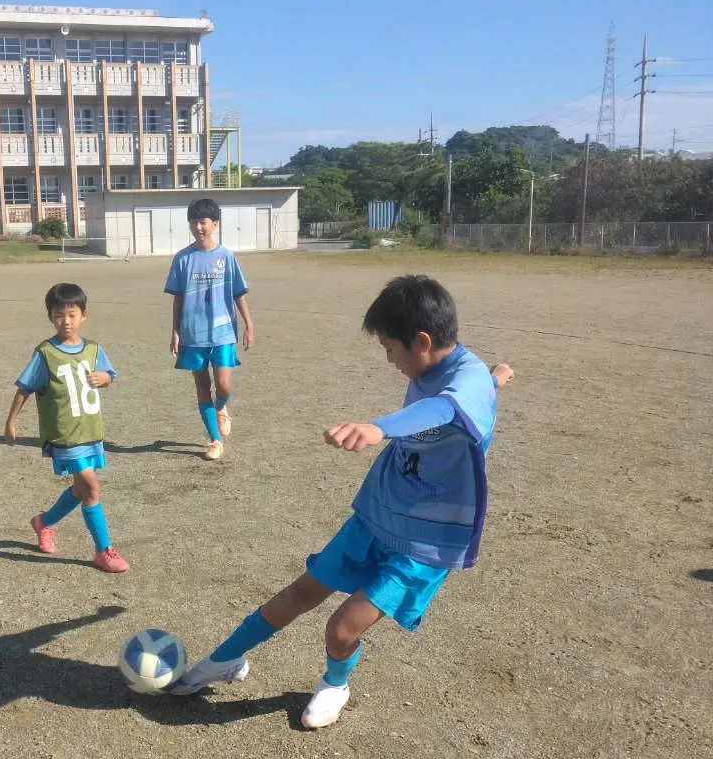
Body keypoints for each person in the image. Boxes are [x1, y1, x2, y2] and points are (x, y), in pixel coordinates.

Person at [171, 274, 515, 729]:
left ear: (423, 341)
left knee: (342, 628)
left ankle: (336, 684)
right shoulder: (456, 370)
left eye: (391, 349)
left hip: (426, 540)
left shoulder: (464, 384)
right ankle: (225, 659)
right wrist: (496, 379)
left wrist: (379, 427)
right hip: (381, 512)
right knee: (301, 591)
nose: (390, 360)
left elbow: (446, 408)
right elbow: (468, 392)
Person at [4, 282, 129, 574]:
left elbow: (110, 375)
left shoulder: (94, 349)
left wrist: (105, 379)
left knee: (80, 489)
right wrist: (11, 421)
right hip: (64, 435)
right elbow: (25, 388)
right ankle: (103, 551)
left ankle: (44, 522)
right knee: (91, 487)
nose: (66, 321)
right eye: (59, 315)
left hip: (90, 432)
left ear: (84, 315)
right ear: (50, 317)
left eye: (72, 314)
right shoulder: (46, 353)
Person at [165, 197, 254, 461]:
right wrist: (175, 330)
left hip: (223, 331)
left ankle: (222, 408)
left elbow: (238, 293)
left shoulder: (226, 257)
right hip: (193, 333)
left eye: (203, 221)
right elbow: (178, 298)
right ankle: (215, 440)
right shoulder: (182, 259)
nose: (198, 227)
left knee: (223, 386)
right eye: (193, 222)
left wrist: (249, 324)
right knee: (202, 386)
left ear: (214, 224)